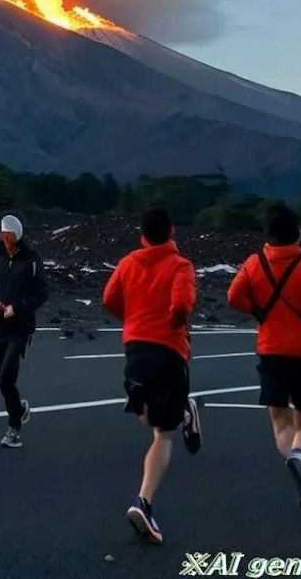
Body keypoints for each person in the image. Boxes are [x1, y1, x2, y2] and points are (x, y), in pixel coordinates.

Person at [227, 203, 301, 518]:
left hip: (270, 350)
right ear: (298, 233)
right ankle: (300, 454)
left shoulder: (255, 263)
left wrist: (261, 311)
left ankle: (292, 457)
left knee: (279, 419)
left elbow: (234, 297)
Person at [102, 205, 200, 546]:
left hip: (135, 350)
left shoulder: (128, 263)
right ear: (171, 230)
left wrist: (132, 319)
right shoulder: (180, 266)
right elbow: (184, 305)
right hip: (168, 352)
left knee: (150, 418)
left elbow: (110, 299)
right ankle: (143, 502)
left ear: (142, 234)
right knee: (162, 433)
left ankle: (182, 410)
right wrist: (172, 323)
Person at [0, 215, 48, 449]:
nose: (3, 237)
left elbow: (42, 293)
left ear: (16, 236)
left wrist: (17, 308)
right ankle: (19, 409)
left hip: (21, 327)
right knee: (1, 378)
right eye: (2, 233)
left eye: (7, 234)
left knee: (7, 374)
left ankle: (14, 428)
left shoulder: (31, 259)